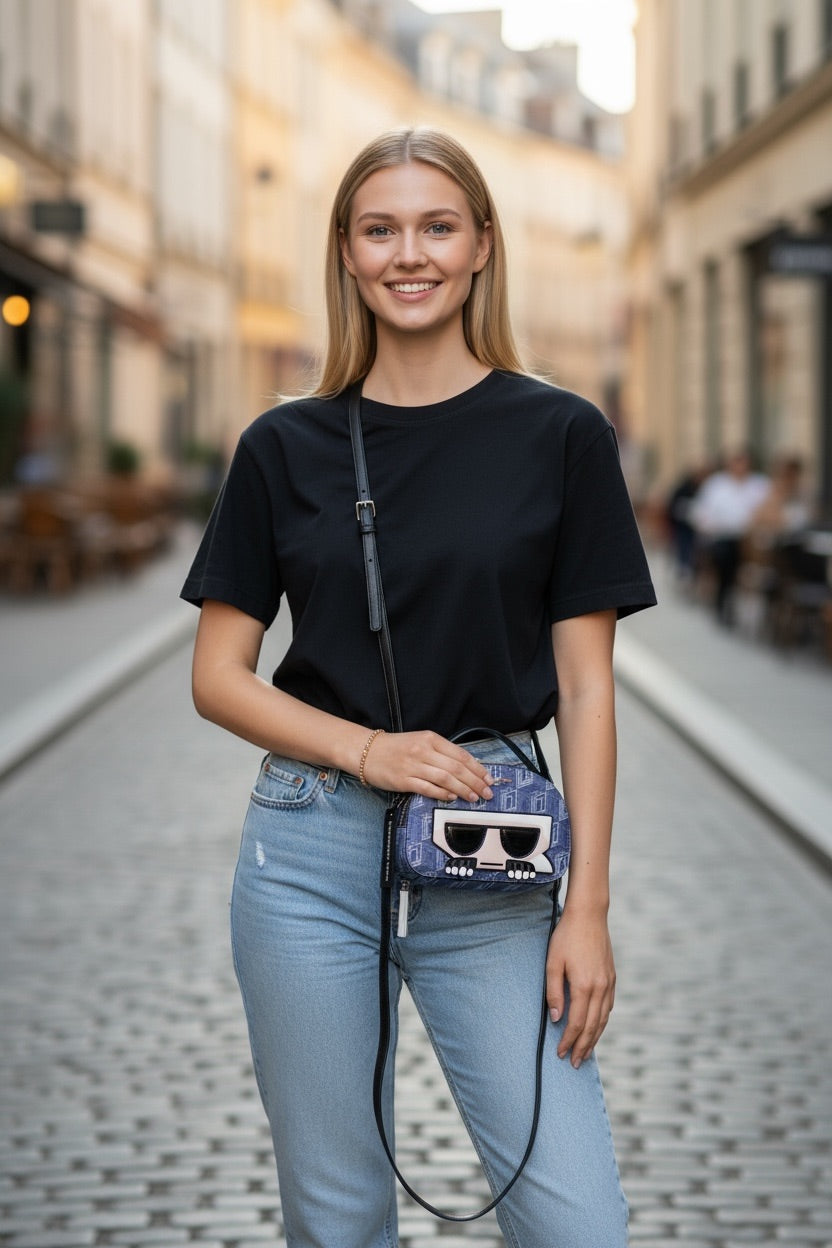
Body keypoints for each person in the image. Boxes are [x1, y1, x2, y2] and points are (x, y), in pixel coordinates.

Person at [181, 127, 656, 1248]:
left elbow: (586, 692)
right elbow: (216, 676)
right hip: (306, 855)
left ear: (482, 246)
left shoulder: (561, 435)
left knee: (574, 1218)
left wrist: (585, 908)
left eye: (437, 227)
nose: (410, 253)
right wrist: (366, 751)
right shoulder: (282, 446)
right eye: (379, 229)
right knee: (339, 1220)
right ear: (346, 253)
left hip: (493, 850)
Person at [689, 448, 769, 625]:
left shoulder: (759, 485)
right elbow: (702, 514)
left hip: (750, 540)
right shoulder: (716, 485)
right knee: (726, 556)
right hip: (722, 538)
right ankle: (724, 597)